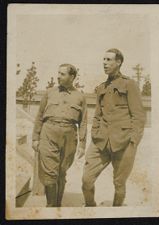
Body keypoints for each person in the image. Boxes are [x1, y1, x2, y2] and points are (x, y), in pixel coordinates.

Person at [82, 49, 146, 207]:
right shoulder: (101, 87)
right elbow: (97, 114)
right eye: (103, 59)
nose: (105, 63)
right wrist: (95, 133)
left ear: (119, 62)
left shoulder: (129, 84)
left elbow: (138, 116)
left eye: (109, 60)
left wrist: (133, 142)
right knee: (86, 180)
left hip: (123, 143)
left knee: (119, 183)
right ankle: (90, 208)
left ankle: (117, 213)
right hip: (100, 142)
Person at [32, 64, 87, 207]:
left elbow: (83, 122)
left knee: (61, 173)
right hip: (48, 132)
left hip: (69, 136)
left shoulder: (80, 96)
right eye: (58, 73)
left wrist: (82, 144)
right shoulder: (49, 92)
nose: (58, 76)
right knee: (50, 173)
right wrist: (35, 138)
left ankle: (58, 205)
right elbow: (39, 116)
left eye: (62, 74)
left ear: (72, 77)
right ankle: (51, 206)